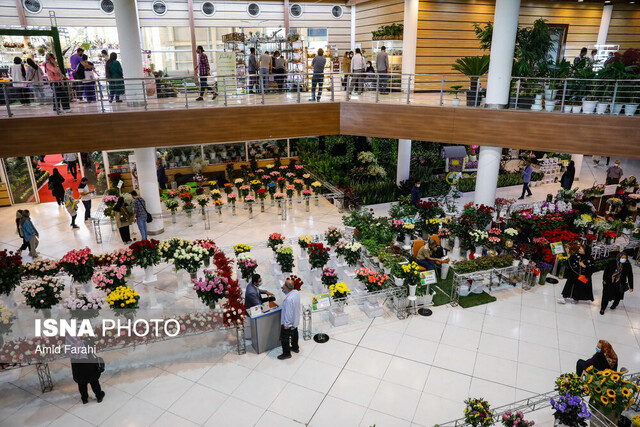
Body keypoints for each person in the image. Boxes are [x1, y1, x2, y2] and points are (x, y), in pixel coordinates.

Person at [66, 335, 105, 404]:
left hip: (77, 365)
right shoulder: (84, 340)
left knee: (81, 384)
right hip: (88, 363)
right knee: (94, 381)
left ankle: (84, 399)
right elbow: (92, 346)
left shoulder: (69, 339)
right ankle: (99, 396)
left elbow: (67, 352)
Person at [278, 278, 300, 360]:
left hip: (288, 322)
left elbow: (288, 313)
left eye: (284, 284)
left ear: (286, 287)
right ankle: (295, 347)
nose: (283, 285)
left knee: (284, 338)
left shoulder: (288, 300)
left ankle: (286, 353)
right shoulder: (296, 293)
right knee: (295, 334)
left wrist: (286, 324)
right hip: (295, 320)